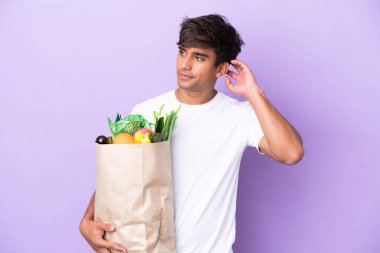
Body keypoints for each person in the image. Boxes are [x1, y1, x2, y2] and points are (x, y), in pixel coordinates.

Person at [79, 14, 304, 253]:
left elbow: (291, 153)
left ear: (221, 68)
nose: (185, 64)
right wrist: (87, 220)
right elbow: (120, 176)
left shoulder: (240, 116)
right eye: (182, 52)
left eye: (199, 57)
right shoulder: (146, 112)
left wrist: (253, 92)